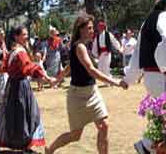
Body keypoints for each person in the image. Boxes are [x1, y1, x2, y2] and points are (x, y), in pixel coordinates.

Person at [45, 12, 126, 154]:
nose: (92, 30)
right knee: (75, 136)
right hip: (77, 96)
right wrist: (115, 82)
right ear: (80, 29)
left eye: (92, 28)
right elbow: (91, 69)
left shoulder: (83, 45)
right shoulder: (79, 47)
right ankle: (50, 149)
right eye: (89, 28)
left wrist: (57, 79)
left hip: (92, 92)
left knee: (104, 126)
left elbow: (70, 66)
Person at [120, 0, 166, 154]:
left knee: (164, 116)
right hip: (161, 75)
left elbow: (136, 55)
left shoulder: (146, 22)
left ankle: (148, 146)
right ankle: (146, 146)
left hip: (150, 76)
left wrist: (128, 78)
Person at [0, 26, 56, 153]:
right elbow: (29, 68)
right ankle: (23, 146)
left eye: (27, 34)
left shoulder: (13, 51)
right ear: (16, 36)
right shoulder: (20, 52)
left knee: (9, 114)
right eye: (24, 34)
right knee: (27, 114)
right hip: (20, 87)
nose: (27, 37)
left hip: (14, 86)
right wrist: (47, 78)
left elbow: (6, 68)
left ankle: (3, 143)